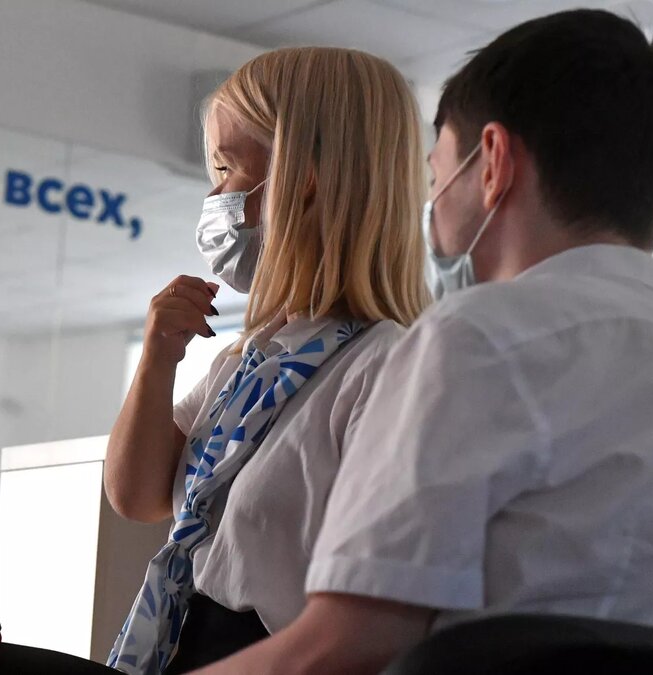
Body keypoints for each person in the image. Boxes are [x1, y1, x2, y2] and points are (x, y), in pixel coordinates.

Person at [190, 9, 653, 675]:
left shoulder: (477, 337)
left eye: (437, 178)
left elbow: (345, 645)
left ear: (492, 162)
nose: (432, 209)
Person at [102, 47, 428, 674]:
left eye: (227, 169)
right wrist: (158, 359)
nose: (216, 195)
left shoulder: (386, 369)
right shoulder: (249, 360)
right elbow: (137, 496)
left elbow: (373, 622)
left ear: (305, 179)